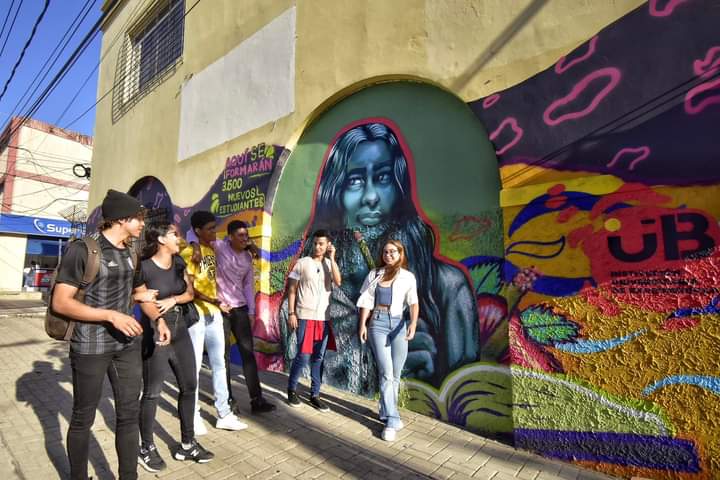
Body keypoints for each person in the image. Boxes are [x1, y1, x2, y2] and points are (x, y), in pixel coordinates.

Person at [293, 120, 478, 391]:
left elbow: (465, 391)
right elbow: (299, 353)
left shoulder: (449, 288)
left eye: (383, 178)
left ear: (400, 188)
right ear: (335, 194)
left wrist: (429, 379)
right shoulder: (315, 280)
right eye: (355, 181)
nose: (371, 197)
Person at [52, 189, 158, 480]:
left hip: (126, 345)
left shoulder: (132, 252)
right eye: (138, 218)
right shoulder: (84, 250)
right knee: (82, 418)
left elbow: (137, 291)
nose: (142, 224)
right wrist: (111, 315)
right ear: (121, 219)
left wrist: (157, 317)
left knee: (128, 414)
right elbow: (61, 302)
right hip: (90, 345)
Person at [135, 222, 214, 472]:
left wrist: (173, 299)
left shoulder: (179, 262)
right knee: (152, 392)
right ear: (160, 239)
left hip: (180, 330)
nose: (179, 238)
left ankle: (187, 445)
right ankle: (146, 447)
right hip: (156, 331)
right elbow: (144, 301)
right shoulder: (144, 267)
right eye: (174, 234)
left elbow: (190, 293)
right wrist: (159, 320)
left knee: (189, 386)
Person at [180, 211, 247, 434]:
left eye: (214, 228)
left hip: (214, 313)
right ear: (198, 231)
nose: (214, 232)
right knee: (195, 366)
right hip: (196, 314)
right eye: (209, 229)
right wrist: (214, 301)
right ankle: (193, 415)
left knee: (219, 365)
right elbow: (190, 288)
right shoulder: (189, 252)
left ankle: (224, 414)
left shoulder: (210, 250)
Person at [357, 240, 419, 442]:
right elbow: (366, 301)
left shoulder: (408, 276)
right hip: (378, 323)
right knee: (386, 372)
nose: (388, 255)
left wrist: (413, 324)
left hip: (399, 324)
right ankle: (392, 420)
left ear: (401, 253)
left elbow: (413, 302)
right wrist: (362, 325)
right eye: (385, 252)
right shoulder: (375, 274)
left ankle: (386, 411)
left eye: (393, 251)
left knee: (396, 374)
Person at [214, 220, 276, 414]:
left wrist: (251, 311)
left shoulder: (248, 257)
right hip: (221, 309)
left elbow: (248, 285)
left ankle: (257, 400)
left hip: (240, 309)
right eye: (240, 235)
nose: (245, 238)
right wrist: (195, 246)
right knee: (222, 356)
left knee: (248, 355)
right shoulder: (219, 247)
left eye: (246, 235)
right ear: (230, 236)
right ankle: (228, 399)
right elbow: (194, 234)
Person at [286, 229, 341, 410]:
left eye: (321, 244)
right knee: (303, 356)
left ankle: (315, 394)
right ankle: (291, 389)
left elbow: (338, 281)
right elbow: (292, 289)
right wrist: (291, 313)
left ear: (328, 245)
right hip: (305, 316)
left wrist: (332, 258)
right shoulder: (302, 263)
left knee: (318, 357)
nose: (317, 247)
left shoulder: (329, 264)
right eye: (316, 243)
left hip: (323, 319)